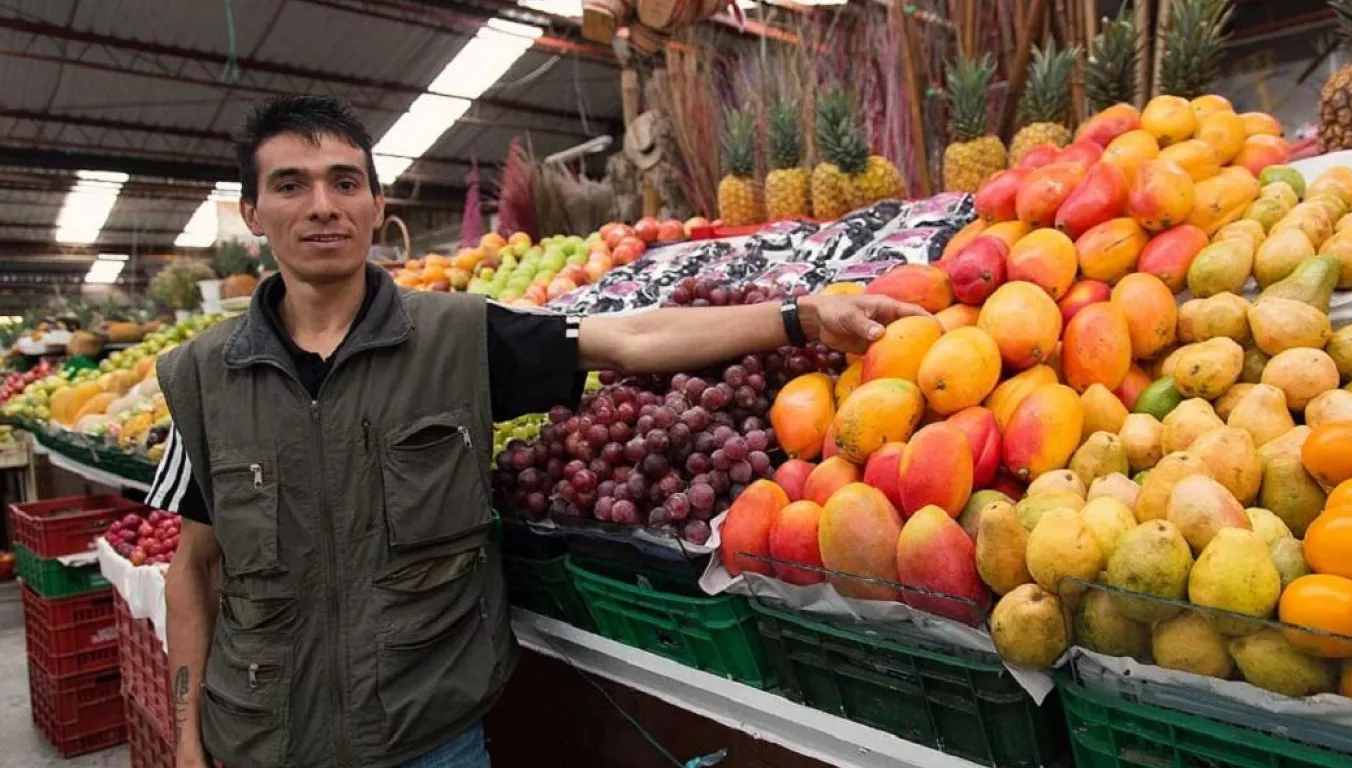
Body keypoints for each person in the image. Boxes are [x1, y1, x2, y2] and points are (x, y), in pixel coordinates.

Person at [154, 95, 925, 768]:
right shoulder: (200, 379)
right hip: (268, 741)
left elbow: (627, 341)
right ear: (253, 212)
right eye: (290, 185)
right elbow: (192, 569)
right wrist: (187, 740)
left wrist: (800, 315)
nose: (322, 205)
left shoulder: (458, 338)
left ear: (375, 205)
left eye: (344, 182)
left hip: (429, 739)